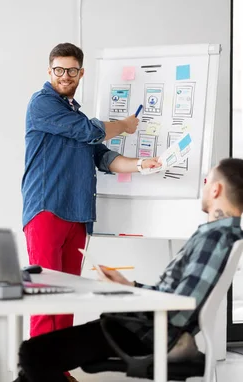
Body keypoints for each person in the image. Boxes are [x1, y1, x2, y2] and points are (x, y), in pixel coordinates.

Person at [16, 158, 243, 382]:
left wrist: (130, 299)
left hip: (146, 333)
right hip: (142, 326)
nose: (203, 187)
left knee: (32, 354)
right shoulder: (219, 236)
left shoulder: (215, 238)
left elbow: (180, 306)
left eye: (206, 182)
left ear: (216, 190)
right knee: (30, 371)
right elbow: (177, 296)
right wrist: (130, 286)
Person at [21, 42, 161, 344]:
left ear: (81, 72)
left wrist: (141, 165)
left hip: (78, 214)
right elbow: (89, 131)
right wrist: (124, 125)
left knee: (67, 299)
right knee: (46, 298)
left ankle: (59, 370)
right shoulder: (41, 104)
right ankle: (38, 375)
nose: (65, 75)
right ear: (49, 71)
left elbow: (104, 157)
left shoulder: (77, 116)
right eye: (59, 69)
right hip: (47, 210)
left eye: (71, 70)